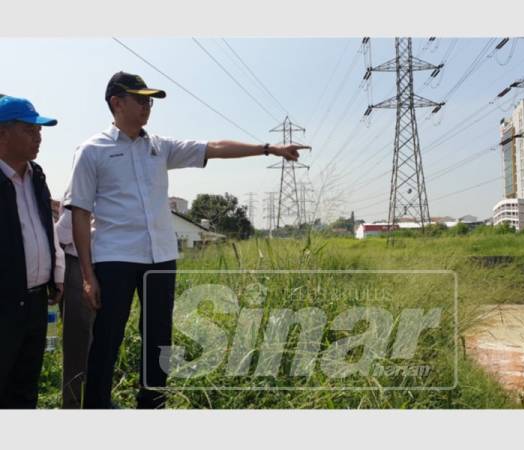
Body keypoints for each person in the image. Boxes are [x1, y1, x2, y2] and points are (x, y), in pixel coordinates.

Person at [64, 71, 310, 409]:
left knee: (159, 337)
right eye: (140, 99)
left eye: (150, 100)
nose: (147, 106)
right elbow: (79, 212)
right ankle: (96, 408)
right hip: (115, 257)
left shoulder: (160, 148)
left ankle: (153, 404)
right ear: (116, 103)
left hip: (160, 258)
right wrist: (89, 276)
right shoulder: (92, 151)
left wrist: (268, 148)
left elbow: (214, 147)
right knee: (108, 336)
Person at [0, 96, 64, 408]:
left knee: (25, 389)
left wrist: (57, 273)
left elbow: (45, 227)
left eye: (39, 131)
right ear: (2, 134)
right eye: (29, 130)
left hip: (36, 302)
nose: (38, 137)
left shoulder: (36, 175)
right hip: (4, 303)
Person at [55, 204, 95, 408]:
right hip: (77, 264)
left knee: (96, 341)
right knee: (78, 343)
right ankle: (72, 404)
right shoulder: (84, 178)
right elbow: (61, 234)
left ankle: (94, 399)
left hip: (106, 264)